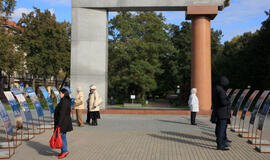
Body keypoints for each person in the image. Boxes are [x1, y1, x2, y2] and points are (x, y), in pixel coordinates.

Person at [212, 76, 231, 151]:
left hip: (218, 111)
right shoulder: (221, 90)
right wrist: (229, 101)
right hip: (222, 113)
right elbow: (223, 102)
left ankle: (220, 143)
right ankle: (220, 145)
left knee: (219, 128)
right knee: (221, 129)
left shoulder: (216, 88)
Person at [54, 88, 73, 158]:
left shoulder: (64, 101)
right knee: (63, 137)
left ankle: (64, 151)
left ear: (64, 94)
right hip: (64, 122)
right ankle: (63, 151)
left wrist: (59, 124)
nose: (59, 94)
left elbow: (62, 114)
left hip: (62, 123)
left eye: (60, 93)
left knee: (60, 137)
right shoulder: (64, 100)